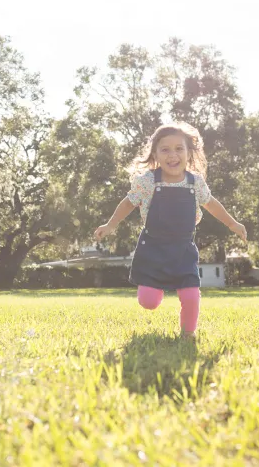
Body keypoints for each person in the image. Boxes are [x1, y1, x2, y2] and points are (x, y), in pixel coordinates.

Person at [95, 122, 247, 338]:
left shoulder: (195, 182)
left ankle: (188, 334)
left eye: (179, 149)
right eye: (165, 149)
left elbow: (211, 203)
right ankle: (152, 292)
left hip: (183, 249)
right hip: (153, 249)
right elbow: (129, 202)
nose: (172, 155)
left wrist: (233, 224)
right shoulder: (147, 181)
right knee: (148, 302)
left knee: (191, 295)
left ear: (189, 153)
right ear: (155, 154)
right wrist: (110, 224)